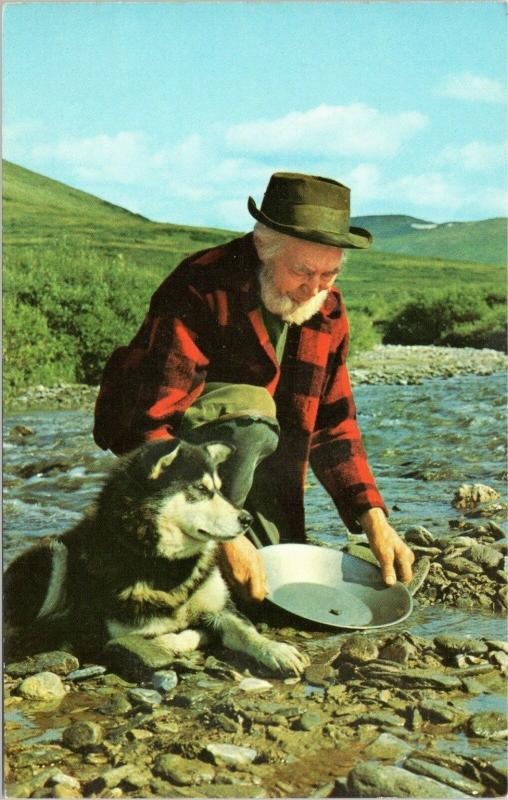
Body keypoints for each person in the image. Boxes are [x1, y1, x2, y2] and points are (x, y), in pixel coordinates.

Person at [93, 172, 414, 601]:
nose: (314, 288)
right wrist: (224, 536)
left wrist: (373, 517)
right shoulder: (201, 285)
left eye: (329, 274)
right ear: (264, 248)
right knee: (252, 410)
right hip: (167, 465)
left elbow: (333, 428)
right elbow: (150, 428)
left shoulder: (327, 311)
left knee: (272, 584)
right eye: (303, 271)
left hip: (255, 465)